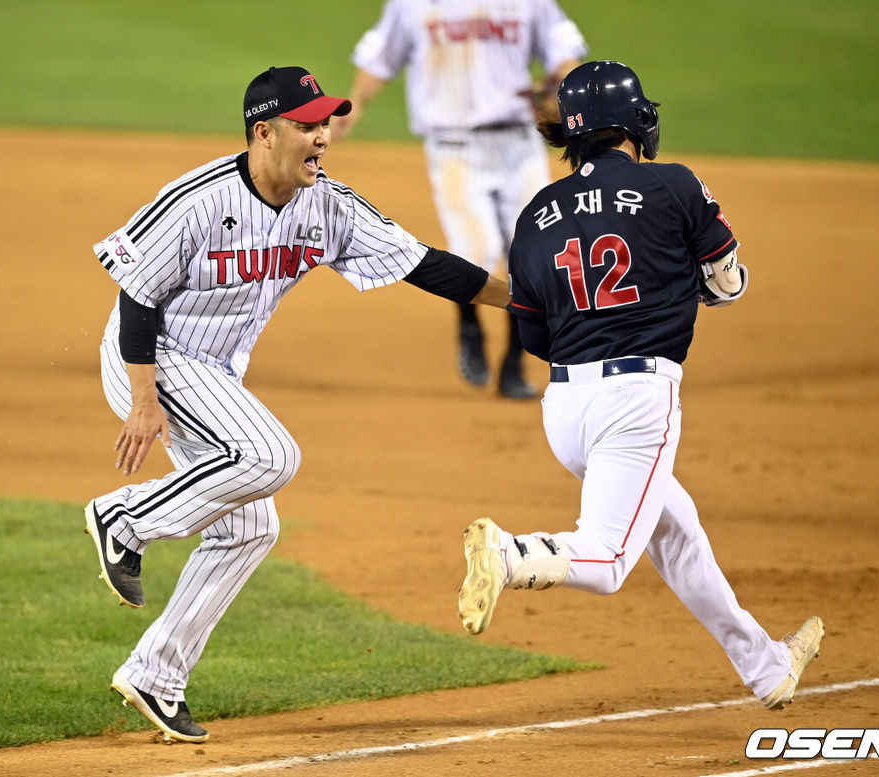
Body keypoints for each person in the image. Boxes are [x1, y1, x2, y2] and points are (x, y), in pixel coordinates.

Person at [84, 65, 509, 743]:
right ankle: (124, 519)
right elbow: (136, 293)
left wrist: (521, 300)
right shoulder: (197, 199)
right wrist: (143, 400)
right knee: (269, 454)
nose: (323, 137)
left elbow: (424, 263)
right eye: (307, 124)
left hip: (215, 372)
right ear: (264, 132)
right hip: (152, 357)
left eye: (326, 123)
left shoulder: (327, 205)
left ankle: (156, 674)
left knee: (251, 527)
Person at [456, 61, 824, 709]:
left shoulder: (536, 212)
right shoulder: (674, 185)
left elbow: (535, 337)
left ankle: (766, 666)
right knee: (608, 558)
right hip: (635, 402)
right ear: (635, 124)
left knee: (677, 533)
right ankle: (510, 554)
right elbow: (725, 283)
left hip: (565, 411)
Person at [333, 0, 588, 399]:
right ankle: (470, 324)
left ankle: (514, 362)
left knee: (535, 250)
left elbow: (562, 49)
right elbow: (380, 54)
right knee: (476, 251)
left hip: (520, 143)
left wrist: (562, 85)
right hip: (453, 146)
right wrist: (357, 104)